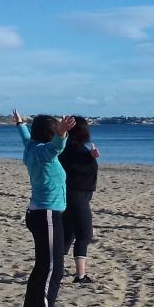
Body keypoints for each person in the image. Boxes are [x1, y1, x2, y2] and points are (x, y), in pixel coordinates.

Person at [13, 108, 75, 307]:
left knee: (42, 267)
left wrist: (20, 124)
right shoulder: (43, 153)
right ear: (49, 134)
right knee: (53, 270)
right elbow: (57, 147)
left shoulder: (32, 148)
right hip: (47, 214)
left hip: (40, 213)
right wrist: (62, 134)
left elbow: (26, 138)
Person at [59, 117, 99, 284]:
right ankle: (80, 275)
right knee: (84, 234)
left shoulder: (71, 146)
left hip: (74, 195)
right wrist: (89, 157)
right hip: (77, 196)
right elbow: (73, 165)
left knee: (69, 233)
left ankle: (56, 268)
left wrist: (90, 155)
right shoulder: (71, 147)